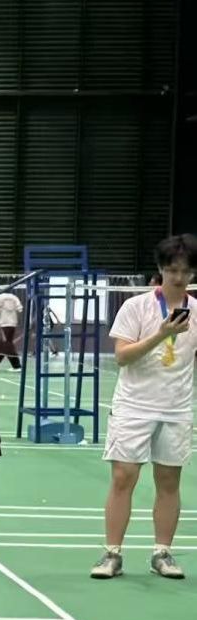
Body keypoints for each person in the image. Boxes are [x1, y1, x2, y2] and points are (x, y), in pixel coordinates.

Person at [92, 233, 197, 581]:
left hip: (176, 408)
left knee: (169, 481)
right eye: (172, 270)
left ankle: (162, 553)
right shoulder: (136, 307)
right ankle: (112, 554)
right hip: (134, 406)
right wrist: (162, 334)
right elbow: (122, 357)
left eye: (185, 271)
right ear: (160, 269)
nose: (178, 277)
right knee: (124, 477)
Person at [0, 290, 22, 369]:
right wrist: (16, 321)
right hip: (13, 324)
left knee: (7, 345)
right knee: (3, 345)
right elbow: (20, 310)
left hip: (4, 324)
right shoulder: (15, 297)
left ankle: (16, 366)